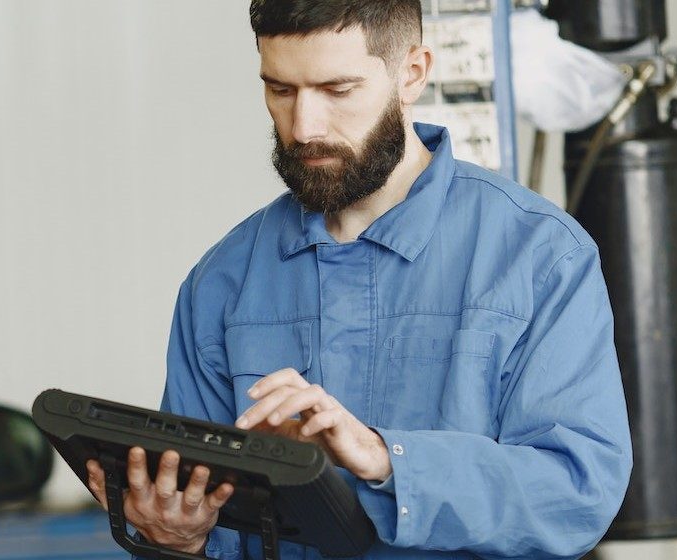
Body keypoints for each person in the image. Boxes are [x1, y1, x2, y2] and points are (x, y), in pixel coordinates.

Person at [85, 0, 633, 558]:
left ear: (412, 73)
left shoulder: (539, 256)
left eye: (337, 90)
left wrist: (382, 458)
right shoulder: (221, 282)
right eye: (280, 90)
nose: (304, 126)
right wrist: (179, 539)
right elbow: (215, 521)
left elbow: (576, 492)